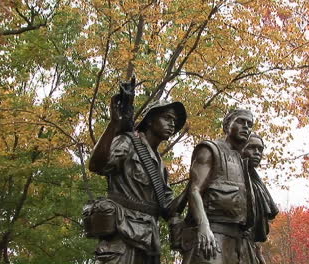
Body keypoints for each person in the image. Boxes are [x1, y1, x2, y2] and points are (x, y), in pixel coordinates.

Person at [86, 94, 187, 264]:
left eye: (174, 122)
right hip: (122, 236)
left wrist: (194, 185)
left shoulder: (160, 166)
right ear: (150, 121)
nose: (172, 124)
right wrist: (113, 125)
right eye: (167, 118)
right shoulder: (128, 142)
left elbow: (169, 210)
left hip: (148, 243)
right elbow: (97, 165)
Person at [181, 109, 257, 264]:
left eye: (249, 124)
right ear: (227, 124)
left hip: (238, 244)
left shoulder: (243, 162)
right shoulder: (210, 150)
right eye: (241, 121)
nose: (246, 127)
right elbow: (194, 190)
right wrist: (203, 226)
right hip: (213, 236)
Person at [241, 134, 279, 264]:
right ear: (240, 148)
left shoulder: (257, 183)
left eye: (260, 149)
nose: (257, 153)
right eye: (252, 148)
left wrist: (258, 253)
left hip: (250, 246)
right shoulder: (231, 176)